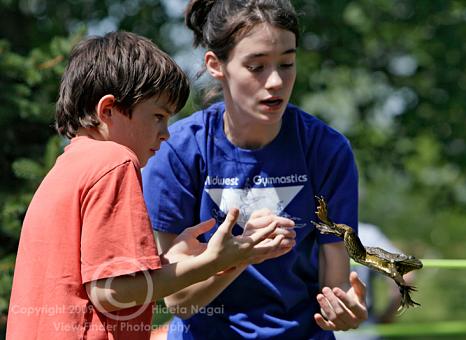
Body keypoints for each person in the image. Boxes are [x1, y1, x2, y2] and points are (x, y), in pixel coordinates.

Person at [6, 31, 289, 340]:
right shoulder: (114, 161)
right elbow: (112, 292)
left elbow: (96, 282)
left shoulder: (67, 168)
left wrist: (171, 262)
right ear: (108, 110)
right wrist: (216, 261)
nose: (166, 133)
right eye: (157, 116)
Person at [142, 1, 368, 339]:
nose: (276, 81)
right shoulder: (177, 151)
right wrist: (243, 252)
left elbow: (334, 284)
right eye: (256, 66)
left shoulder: (327, 150)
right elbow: (179, 301)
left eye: (287, 63)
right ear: (216, 65)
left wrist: (345, 309)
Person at [335, 223, 416, 340]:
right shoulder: (368, 234)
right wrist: (387, 317)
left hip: (318, 328)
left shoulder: (310, 231)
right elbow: (406, 275)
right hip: (366, 331)